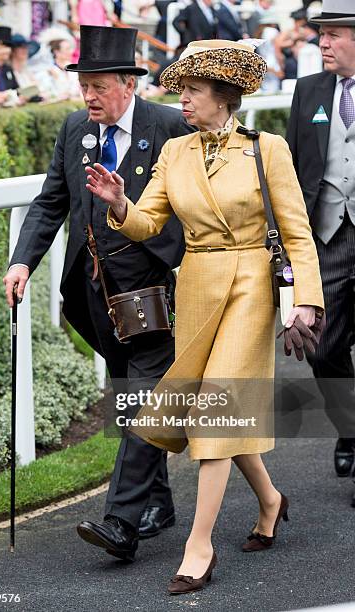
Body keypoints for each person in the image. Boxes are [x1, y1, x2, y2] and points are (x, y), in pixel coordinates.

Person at [85, 38, 324, 593]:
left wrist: (307, 298)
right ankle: (270, 500)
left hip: (248, 287)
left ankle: (200, 545)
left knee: (216, 411)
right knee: (223, 407)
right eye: (183, 90)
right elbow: (146, 223)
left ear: (224, 95)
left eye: (193, 91)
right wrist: (119, 203)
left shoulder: (269, 149)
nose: (182, 100)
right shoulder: (176, 153)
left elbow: (297, 232)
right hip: (194, 287)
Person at [3, 25, 193, 560]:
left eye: (99, 85)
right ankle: (158, 502)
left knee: (148, 394)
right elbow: (49, 203)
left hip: (153, 285)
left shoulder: (170, 125)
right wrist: (22, 262)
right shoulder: (74, 130)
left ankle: (121, 521)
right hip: (93, 291)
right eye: (84, 84)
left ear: (128, 85)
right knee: (128, 395)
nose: (88, 95)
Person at [286, 0, 355, 505]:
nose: (322, 43)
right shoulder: (308, 90)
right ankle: (349, 428)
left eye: (333, 35)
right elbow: (291, 170)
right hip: (326, 235)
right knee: (323, 348)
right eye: (321, 35)